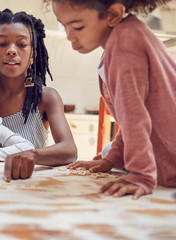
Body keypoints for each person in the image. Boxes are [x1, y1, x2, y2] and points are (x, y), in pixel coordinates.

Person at [45, 0, 176, 199]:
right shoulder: (123, 38)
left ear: (113, 15)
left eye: (78, 26)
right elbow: (131, 118)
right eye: (64, 25)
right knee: (108, 149)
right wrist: (111, 158)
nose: (69, 36)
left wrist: (141, 175)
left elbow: (135, 118)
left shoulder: (124, 44)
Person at [0, 9, 77, 181]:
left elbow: (69, 150)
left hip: (28, 186)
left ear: (32, 55)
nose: (11, 51)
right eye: (2, 44)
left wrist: (32, 155)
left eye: (22, 44)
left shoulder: (46, 97)